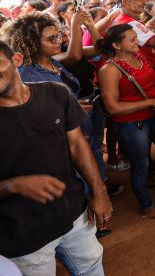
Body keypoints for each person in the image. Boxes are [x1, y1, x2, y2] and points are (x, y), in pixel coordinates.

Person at [0, 40, 112, 275]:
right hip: (22, 235)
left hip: (74, 215)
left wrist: (99, 192)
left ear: (16, 60)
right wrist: (14, 185)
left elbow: (77, 145)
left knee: (92, 268)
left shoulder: (55, 92)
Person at [96, 24, 155, 219]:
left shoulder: (139, 56)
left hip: (154, 115)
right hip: (131, 123)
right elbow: (112, 107)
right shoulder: (109, 70)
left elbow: (151, 73)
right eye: (132, 39)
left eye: (136, 37)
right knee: (141, 163)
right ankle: (147, 206)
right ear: (117, 45)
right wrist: (151, 101)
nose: (138, 41)